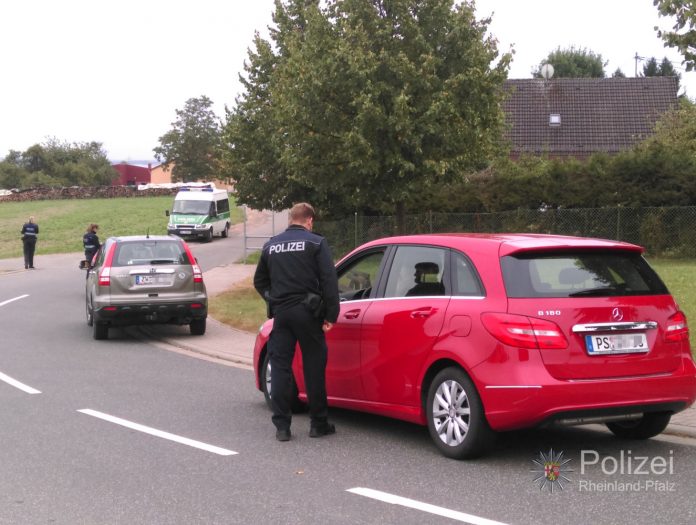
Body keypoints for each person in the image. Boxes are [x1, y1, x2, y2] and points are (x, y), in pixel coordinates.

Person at [253, 202, 340, 442]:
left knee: (280, 367)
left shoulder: (271, 245)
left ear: (291, 219)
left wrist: (273, 299)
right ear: (309, 220)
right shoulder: (315, 243)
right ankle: (318, 424)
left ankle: (282, 427)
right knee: (314, 366)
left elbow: (259, 281)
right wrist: (331, 315)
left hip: (282, 315)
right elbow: (329, 280)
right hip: (308, 313)